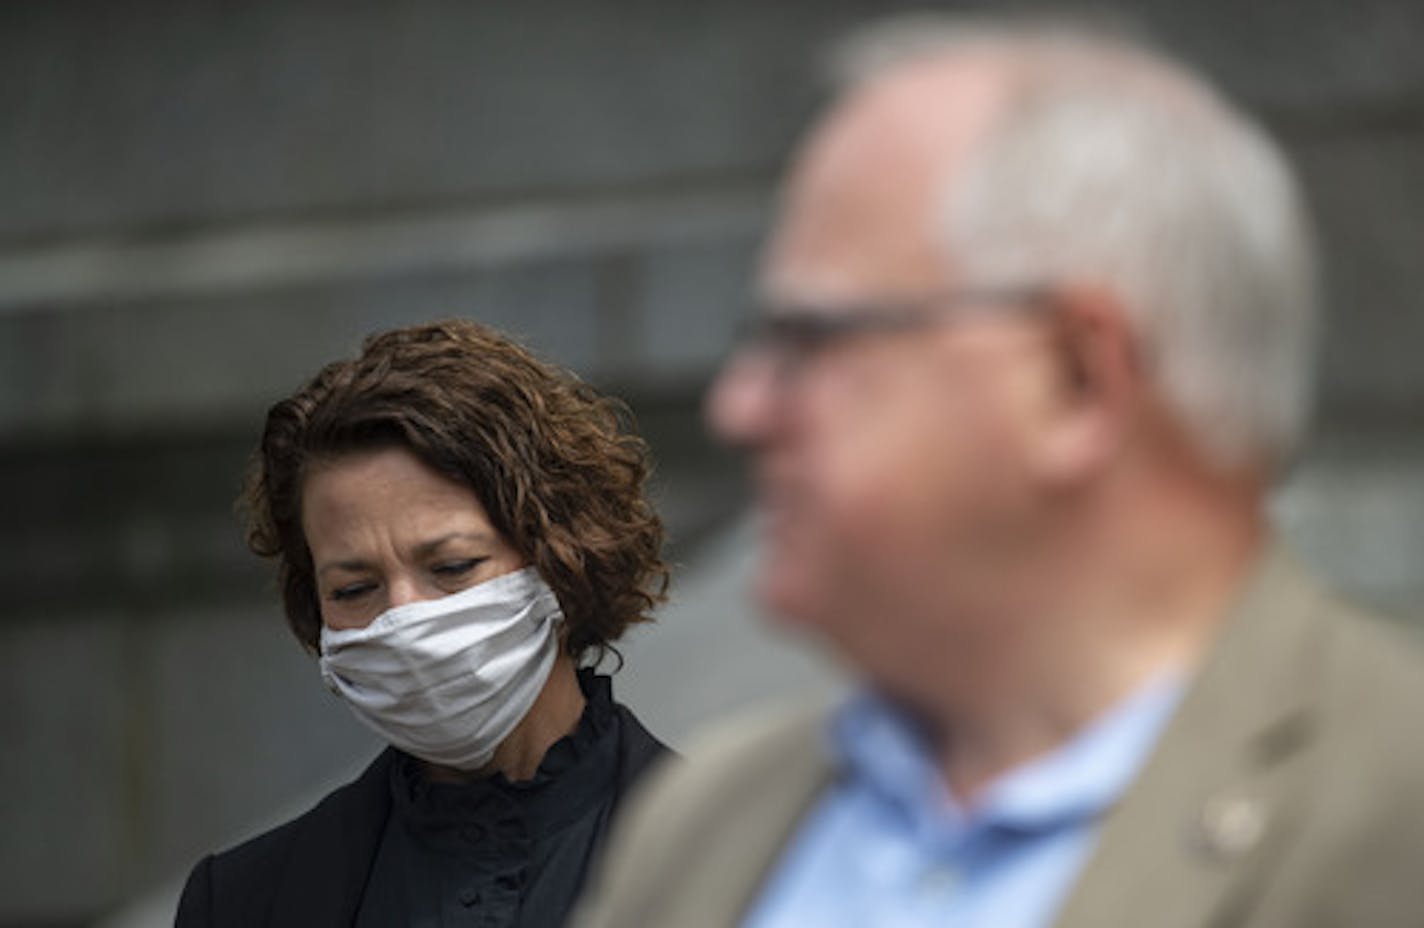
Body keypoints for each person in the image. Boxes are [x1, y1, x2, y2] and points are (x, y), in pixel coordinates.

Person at [576, 15, 1424, 928]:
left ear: (1075, 380)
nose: (737, 409)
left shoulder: (1391, 812)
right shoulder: (701, 826)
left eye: (810, 338)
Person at [176, 319, 671, 927]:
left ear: (561, 558)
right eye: (354, 588)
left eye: (453, 566)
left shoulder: (743, 854)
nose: (405, 617)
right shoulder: (243, 903)